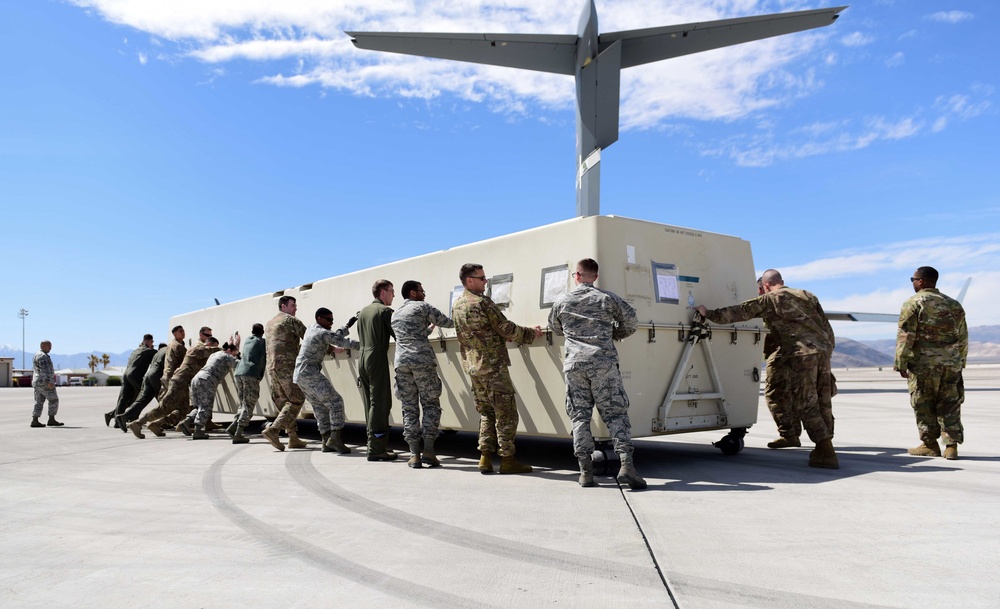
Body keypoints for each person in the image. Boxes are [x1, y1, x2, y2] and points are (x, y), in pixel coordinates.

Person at [696, 269, 839, 469]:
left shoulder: (770, 299)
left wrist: (708, 313)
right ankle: (793, 436)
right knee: (822, 400)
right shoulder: (807, 295)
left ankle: (825, 451)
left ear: (764, 286)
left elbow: (739, 312)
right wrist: (827, 351)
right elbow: (826, 327)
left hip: (802, 355)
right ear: (782, 281)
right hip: (822, 351)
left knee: (807, 402)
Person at [549, 258, 645, 489]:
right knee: (616, 415)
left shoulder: (562, 300)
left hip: (575, 365)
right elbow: (631, 321)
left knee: (580, 417)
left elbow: (555, 326)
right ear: (596, 276)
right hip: (603, 363)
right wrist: (613, 333)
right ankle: (627, 467)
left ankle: (585, 472)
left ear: (578, 275)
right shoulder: (606, 298)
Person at [452, 263, 542, 474]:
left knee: (486, 412)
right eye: (482, 278)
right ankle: (508, 459)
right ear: (469, 281)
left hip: (473, 367)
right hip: (493, 367)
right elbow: (506, 328)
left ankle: (484, 457)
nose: (486, 282)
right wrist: (530, 333)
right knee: (506, 412)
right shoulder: (483, 303)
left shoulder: (457, 305)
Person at [895, 266, 968, 460]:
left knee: (923, 402)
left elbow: (906, 335)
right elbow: (962, 337)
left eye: (913, 279)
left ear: (921, 281)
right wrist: (960, 362)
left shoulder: (913, 302)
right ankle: (951, 446)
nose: (912, 282)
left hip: (924, 364)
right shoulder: (954, 304)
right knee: (950, 403)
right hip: (951, 364)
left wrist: (901, 362)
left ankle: (929, 444)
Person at [391, 280, 454, 468]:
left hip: (402, 364)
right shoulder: (421, 307)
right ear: (412, 293)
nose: (424, 294)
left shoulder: (395, 314)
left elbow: (412, 335)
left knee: (409, 407)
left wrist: (427, 329)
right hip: (422, 362)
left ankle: (413, 455)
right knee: (430, 404)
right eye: (421, 291)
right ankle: (429, 450)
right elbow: (448, 322)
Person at [129, 327, 218, 439]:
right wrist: (228, 348)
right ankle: (138, 423)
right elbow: (210, 351)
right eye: (207, 335)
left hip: (181, 382)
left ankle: (157, 424)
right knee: (165, 408)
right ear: (201, 335)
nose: (183, 333)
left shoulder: (179, 345)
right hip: (179, 381)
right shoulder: (196, 347)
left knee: (183, 410)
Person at [293, 308, 359, 454]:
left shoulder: (311, 329)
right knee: (336, 402)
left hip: (300, 375)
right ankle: (335, 439)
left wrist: (347, 326)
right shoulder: (321, 332)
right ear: (319, 318)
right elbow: (341, 341)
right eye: (328, 320)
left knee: (320, 407)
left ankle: (326, 441)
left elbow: (333, 336)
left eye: (332, 320)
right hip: (310, 373)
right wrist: (366, 346)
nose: (331, 322)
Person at [357, 279, 398, 461]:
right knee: (380, 403)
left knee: (369, 403)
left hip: (362, 357)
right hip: (377, 357)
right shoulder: (385, 311)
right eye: (391, 291)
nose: (393, 295)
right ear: (383, 292)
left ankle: (371, 444)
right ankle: (376, 448)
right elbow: (399, 335)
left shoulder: (363, 312)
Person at [757, 277, 801, 449]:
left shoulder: (770, 300)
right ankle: (800, 436)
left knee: (775, 395)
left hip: (782, 356)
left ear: (764, 287)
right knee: (798, 395)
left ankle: (789, 435)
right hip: (806, 355)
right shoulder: (803, 297)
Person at [261, 296, 309, 451]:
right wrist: (331, 349)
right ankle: (274, 430)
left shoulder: (269, 323)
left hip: (272, 367)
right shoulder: (290, 320)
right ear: (283, 306)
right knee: (297, 398)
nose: (296, 308)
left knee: (284, 403)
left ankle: (293, 437)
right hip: (287, 366)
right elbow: (309, 339)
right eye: (293, 305)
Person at [176, 338, 241, 440]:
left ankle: (186, 422)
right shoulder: (227, 356)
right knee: (206, 407)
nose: (234, 356)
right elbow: (239, 364)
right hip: (207, 380)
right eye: (234, 354)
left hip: (197, 378)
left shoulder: (215, 354)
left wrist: (235, 347)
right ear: (229, 351)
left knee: (198, 406)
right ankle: (198, 431)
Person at [106, 334, 155, 429]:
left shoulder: (135, 351)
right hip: (135, 375)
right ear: (147, 341)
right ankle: (133, 418)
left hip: (126, 374)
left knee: (123, 399)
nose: (152, 344)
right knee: (142, 397)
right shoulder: (148, 351)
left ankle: (116, 419)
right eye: (152, 342)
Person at [230, 323, 266, 444]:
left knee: (243, 403)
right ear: (263, 331)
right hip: (251, 373)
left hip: (239, 372)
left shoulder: (247, 340)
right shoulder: (262, 341)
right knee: (249, 404)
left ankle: (234, 426)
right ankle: (239, 433)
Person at [118, 342, 169, 428]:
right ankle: (162, 422)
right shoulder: (168, 351)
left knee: (142, 400)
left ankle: (125, 415)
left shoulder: (156, 354)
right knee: (165, 399)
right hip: (157, 376)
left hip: (148, 377)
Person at [31, 340, 62, 427]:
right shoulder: (43, 356)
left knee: (39, 401)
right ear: (42, 345)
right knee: (53, 399)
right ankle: (51, 419)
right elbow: (45, 370)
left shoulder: (36, 355)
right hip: (44, 382)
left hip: (37, 382)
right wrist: (49, 381)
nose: (50, 348)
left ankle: (35, 420)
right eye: (49, 346)